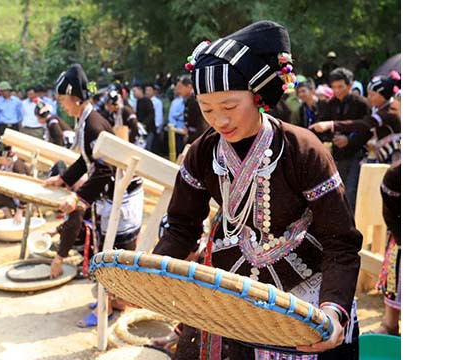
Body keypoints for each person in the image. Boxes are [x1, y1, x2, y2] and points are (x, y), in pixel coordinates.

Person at [155, 21, 362, 359]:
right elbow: (181, 226)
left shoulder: (302, 150)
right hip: (232, 289)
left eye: (229, 106)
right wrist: (154, 272)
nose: (219, 120)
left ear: (258, 97)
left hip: (305, 291)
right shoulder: (203, 152)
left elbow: (341, 241)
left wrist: (332, 311)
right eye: (207, 109)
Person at [44, 64, 144, 328]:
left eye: (63, 100)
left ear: (74, 96)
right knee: (107, 248)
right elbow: (88, 159)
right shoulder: (87, 120)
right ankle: (112, 298)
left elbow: (103, 169)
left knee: (114, 251)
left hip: (121, 193)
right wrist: (64, 178)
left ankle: (108, 304)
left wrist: (79, 198)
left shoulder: (92, 124)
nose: (62, 105)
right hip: (112, 190)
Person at [312, 67, 372, 210]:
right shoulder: (329, 104)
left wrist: (349, 140)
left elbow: (366, 130)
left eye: (340, 86)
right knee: (337, 191)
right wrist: (332, 139)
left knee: (351, 193)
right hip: (337, 155)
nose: (337, 90)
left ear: (350, 85)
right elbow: (323, 126)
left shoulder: (362, 104)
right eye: (334, 87)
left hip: (357, 154)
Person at [311, 72, 401, 164]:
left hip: (394, 155)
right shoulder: (378, 108)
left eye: (372, 95)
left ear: (384, 96)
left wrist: (331, 124)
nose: (369, 98)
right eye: (368, 94)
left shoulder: (389, 111)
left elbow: (363, 124)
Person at [370, 161, 401, 335]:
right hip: (402, 236)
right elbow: (391, 210)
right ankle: (390, 324)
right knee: (397, 275)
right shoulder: (396, 175)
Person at [177, 74, 208, 146]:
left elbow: (200, 122)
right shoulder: (189, 100)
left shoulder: (195, 100)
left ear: (189, 87)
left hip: (198, 136)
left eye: (180, 87)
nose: (178, 90)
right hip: (193, 134)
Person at [132, 84, 155, 150]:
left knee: (148, 147)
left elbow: (151, 115)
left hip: (149, 129)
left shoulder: (147, 101)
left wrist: (144, 123)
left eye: (134, 91)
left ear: (140, 90)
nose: (133, 94)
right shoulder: (138, 102)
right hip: (141, 129)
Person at [145, 84, 164, 153]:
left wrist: (157, 128)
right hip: (146, 128)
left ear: (153, 92)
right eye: (146, 90)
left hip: (154, 128)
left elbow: (159, 116)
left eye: (149, 90)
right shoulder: (145, 101)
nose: (147, 92)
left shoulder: (157, 102)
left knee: (151, 147)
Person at [168, 83, 186, 154]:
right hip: (174, 127)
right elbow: (171, 114)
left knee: (182, 148)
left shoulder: (183, 101)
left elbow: (182, 113)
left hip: (182, 128)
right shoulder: (174, 101)